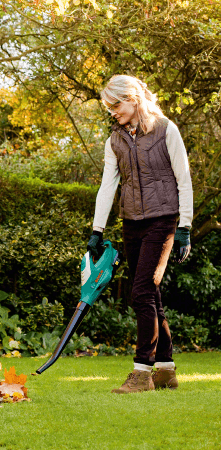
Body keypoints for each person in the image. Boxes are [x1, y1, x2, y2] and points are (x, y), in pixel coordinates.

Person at [87, 75, 193, 394]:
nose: (112, 112)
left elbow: (183, 178)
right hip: (131, 222)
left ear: (133, 98)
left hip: (163, 220)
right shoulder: (115, 140)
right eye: (109, 107)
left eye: (115, 104)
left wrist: (185, 227)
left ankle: (141, 373)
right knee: (151, 293)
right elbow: (108, 186)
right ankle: (165, 370)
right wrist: (97, 229)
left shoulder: (165, 130)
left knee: (141, 292)